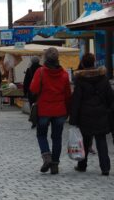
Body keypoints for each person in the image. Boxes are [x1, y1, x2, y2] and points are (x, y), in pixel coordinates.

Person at [69, 53, 114, 176]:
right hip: (101, 114)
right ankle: (105, 168)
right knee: (101, 140)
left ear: (83, 63)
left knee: (85, 141)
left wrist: (73, 119)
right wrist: (108, 111)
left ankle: (82, 165)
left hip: (85, 115)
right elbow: (110, 98)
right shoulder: (103, 78)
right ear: (94, 62)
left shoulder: (80, 79)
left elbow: (76, 100)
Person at [29, 47, 71, 175]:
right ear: (58, 58)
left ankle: (47, 157)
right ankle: (55, 165)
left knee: (41, 135)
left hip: (44, 110)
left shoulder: (40, 72)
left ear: (46, 58)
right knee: (57, 137)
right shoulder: (64, 74)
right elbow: (68, 95)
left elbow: (34, 89)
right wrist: (68, 110)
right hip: (59, 110)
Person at [23, 56, 42, 129]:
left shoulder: (29, 70)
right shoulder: (42, 69)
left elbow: (26, 82)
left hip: (32, 91)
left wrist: (25, 92)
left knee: (33, 107)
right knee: (40, 106)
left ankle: (34, 122)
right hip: (40, 91)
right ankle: (40, 120)